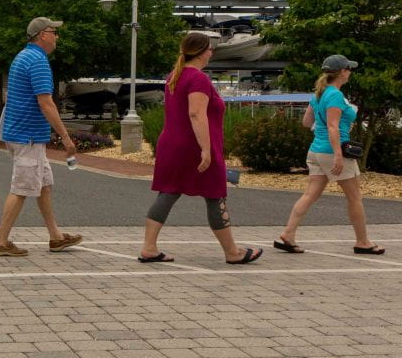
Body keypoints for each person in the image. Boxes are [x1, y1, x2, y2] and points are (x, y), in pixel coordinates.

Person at [140, 32, 262, 264]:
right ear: (201, 52)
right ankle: (232, 252)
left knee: (168, 191)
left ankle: (149, 247)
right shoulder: (198, 79)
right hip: (194, 147)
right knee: (215, 194)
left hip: (171, 145)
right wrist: (206, 150)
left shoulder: (173, 76)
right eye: (209, 49)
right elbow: (196, 114)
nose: (211, 52)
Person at [275, 55, 385, 255]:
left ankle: (288, 234)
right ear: (342, 72)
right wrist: (337, 154)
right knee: (354, 197)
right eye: (349, 69)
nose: (350, 72)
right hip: (334, 151)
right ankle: (363, 241)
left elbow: (307, 122)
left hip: (316, 150)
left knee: (310, 194)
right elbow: (333, 126)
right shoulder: (334, 95)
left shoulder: (318, 94)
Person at [0, 17, 82, 257]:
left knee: (43, 185)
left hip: (20, 132)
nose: (57, 36)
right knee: (22, 187)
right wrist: (65, 137)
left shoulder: (23, 56)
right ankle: (0, 242)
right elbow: (46, 103)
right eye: (54, 32)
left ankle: (56, 237)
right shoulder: (38, 61)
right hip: (28, 136)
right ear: (43, 35)